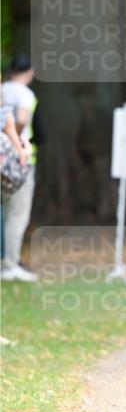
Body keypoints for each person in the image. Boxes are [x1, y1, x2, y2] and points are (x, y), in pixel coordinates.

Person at [1, 55, 39, 282]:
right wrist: (13, 142)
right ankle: (9, 263)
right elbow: (21, 119)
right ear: (30, 71)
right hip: (16, 161)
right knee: (17, 213)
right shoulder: (25, 93)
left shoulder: (3, 89)